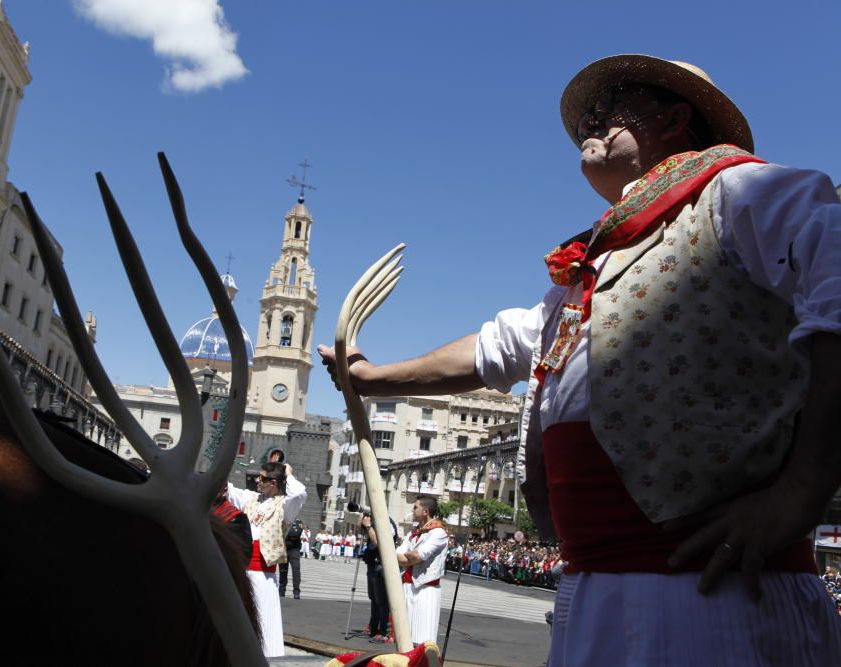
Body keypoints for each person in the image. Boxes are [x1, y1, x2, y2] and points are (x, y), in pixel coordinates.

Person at [319, 54, 841, 664]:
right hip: (591, 589)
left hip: (715, 598)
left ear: (674, 121)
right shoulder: (588, 270)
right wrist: (371, 379)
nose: (589, 122)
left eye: (610, 108)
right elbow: (501, 345)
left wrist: (804, 490)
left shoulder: (743, 192)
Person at [226, 462, 307, 657]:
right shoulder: (252, 498)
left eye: (261, 478)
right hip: (242, 567)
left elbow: (299, 493)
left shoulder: (285, 505)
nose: (256, 480)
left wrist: (288, 472)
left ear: (272, 482)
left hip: (263, 572)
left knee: (263, 618)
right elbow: (229, 489)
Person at [396, 497, 448, 645]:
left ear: (425, 511)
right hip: (407, 586)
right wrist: (409, 558)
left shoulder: (438, 532)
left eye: (415, 507)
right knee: (404, 636)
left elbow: (418, 556)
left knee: (423, 638)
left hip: (425, 589)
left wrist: (407, 557)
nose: (412, 510)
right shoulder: (414, 532)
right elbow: (396, 554)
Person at [361, 512, 399, 643]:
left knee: (382, 600)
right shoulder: (375, 521)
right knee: (373, 597)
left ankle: (384, 631)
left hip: (381, 565)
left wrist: (368, 527)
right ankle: (373, 626)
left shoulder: (386, 522)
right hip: (372, 563)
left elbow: (377, 541)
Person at [280, 519, 303, 599]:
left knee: (296, 571)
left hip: (294, 550)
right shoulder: (282, 521)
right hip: (284, 549)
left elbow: (296, 534)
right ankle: (281, 591)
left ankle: (296, 591)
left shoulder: (297, 522)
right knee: (283, 571)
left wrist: (287, 533)